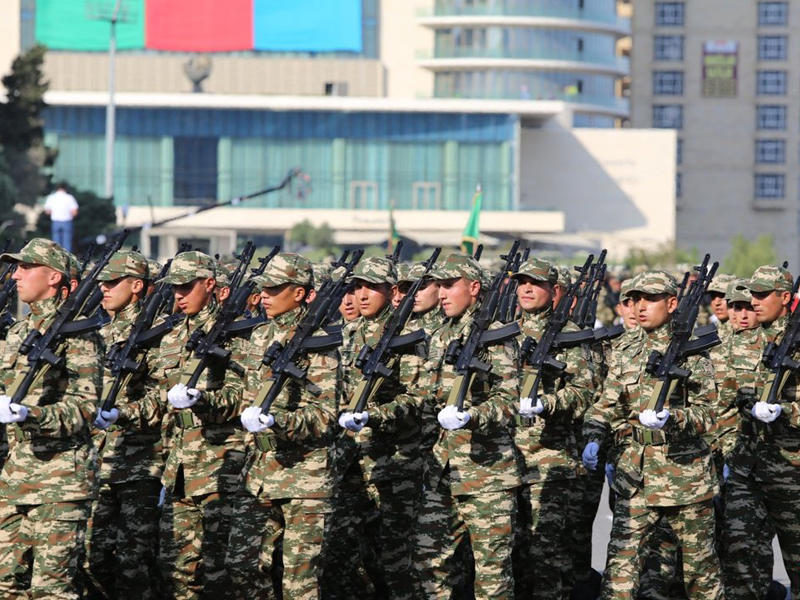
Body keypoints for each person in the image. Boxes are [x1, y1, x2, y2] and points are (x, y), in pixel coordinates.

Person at [582, 270, 723, 599]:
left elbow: (708, 412)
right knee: (619, 573)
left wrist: (672, 418)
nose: (640, 306)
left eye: (650, 299)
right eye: (635, 299)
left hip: (685, 479)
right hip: (636, 477)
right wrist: (594, 436)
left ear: (672, 304)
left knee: (700, 575)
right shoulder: (625, 351)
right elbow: (606, 406)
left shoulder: (692, 351)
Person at [230, 253, 339, 599]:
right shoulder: (260, 335)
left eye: (275, 289)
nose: (264, 295)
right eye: (263, 288)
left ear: (300, 293)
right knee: (242, 565)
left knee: (299, 583)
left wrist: (278, 421)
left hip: (304, 478)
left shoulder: (321, 343)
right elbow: (245, 394)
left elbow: (325, 416)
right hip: (258, 473)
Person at [413, 252, 521, 599]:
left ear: (474, 288)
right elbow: (426, 394)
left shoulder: (495, 335)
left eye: (449, 285)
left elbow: (510, 400)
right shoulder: (440, 334)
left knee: (492, 576)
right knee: (428, 562)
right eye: (439, 286)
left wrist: (472, 415)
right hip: (442, 470)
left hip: (487, 475)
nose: (441, 294)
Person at [0, 238, 102, 598]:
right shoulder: (18, 333)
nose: (16, 275)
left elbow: (85, 407)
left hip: (61, 484)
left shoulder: (80, 334)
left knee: (51, 592)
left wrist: (30, 414)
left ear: (54, 277)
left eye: (26, 267)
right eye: (17, 267)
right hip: (15, 480)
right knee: (6, 586)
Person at [333, 256, 425, 600]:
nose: (362, 295)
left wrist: (374, 414)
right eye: (358, 287)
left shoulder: (406, 335)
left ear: (392, 291)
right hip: (350, 461)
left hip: (394, 464)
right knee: (348, 554)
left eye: (372, 287)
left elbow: (417, 399)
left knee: (396, 560)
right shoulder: (347, 334)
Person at [510, 257, 594, 599]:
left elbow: (584, 391)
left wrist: (547, 402)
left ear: (554, 289)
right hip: (507, 459)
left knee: (547, 557)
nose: (527, 289)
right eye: (522, 282)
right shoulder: (504, 329)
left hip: (551, 461)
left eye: (536, 283)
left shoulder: (569, 335)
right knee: (513, 555)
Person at [85, 250, 162, 600]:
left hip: (140, 464)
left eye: (113, 282)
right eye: (102, 281)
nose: (104, 287)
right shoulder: (96, 329)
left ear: (136, 286)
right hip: (99, 462)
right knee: (92, 556)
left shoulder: (156, 332)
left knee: (134, 563)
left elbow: (163, 398)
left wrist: (123, 412)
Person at [722, 265, 800, 598]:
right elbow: (720, 400)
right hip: (747, 469)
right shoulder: (740, 343)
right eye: (752, 293)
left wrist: (787, 411)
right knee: (742, 557)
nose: (754, 301)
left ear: (784, 297)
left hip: (791, 470)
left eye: (763, 294)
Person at [44, 183, 79, 252]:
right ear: (65, 189)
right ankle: (66, 257)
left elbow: (47, 211)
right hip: (67, 222)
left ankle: (56, 257)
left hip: (56, 222)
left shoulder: (51, 197)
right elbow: (74, 212)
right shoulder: (69, 197)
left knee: (55, 244)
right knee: (67, 243)